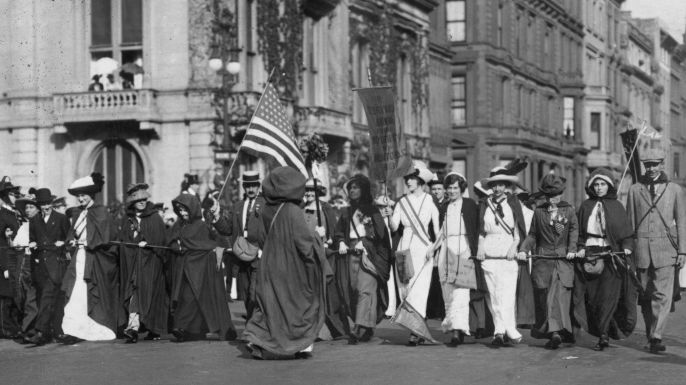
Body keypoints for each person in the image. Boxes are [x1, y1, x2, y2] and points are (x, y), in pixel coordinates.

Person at [243, 166, 328, 360]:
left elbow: (261, 238)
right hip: (291, 267)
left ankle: (255, 338)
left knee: (267, 304)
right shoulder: (293, 211)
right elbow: (304, 243)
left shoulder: (265, 210)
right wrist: (317, 237)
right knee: (296, 305)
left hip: (269, 264)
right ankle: (300, 344)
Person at [626, 148, 686, 353]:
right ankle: (651, 333)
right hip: (641, 249)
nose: (651, 168)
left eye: (655, 164)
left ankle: (657, 335)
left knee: (662, 294)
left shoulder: (674, 189)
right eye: (648, 165)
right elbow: (631, 222)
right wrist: (629, 250)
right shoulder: (635, 189)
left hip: (666, 250)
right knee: (645, 295)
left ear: (662, 164)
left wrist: (683, 251)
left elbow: (682, 223)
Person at [573, 168, 637, 351]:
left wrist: (627, 247)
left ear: (609, 186)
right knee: (593, 298)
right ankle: (599, 329)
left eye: (603, 184)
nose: (599, 187)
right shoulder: (585, 206)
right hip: (590, 255)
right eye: (596, 184)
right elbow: (578, 234)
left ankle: (604, 335)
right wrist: (580, 248)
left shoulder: (617, 207)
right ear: (591, 186)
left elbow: (627, 234)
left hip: (611, 257)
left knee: (608, 298)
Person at [518, 174, 578, 350]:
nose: (553, 199)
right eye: (550, 196)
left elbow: (574, 230)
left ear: (561, 193)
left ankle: (556, 334)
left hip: (562, 261)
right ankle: (555, 332)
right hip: (543, 261)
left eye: (557, 194)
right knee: (545, 299)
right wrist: (523, 249)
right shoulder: (539, 212)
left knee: (558, 297)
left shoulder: (569, 210)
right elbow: (533, 235)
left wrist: (572, 250)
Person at [168, 194, 236, 342]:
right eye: (179, 210)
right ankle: (189, 330)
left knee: (194, 298)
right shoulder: (179, 225)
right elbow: (172, 241)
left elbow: (215, 241)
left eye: (185, 210)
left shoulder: (203, 225)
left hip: (202, 269)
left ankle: (182, 327)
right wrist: (177, 246)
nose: (183, 213)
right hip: (185, 269)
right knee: (187, 298)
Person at [61, 173, 120, 343]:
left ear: (91, 195)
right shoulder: (77, 213)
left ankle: (92, 328)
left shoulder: (101, 212)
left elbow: (106, 237)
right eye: (78, 196)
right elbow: (72, 234)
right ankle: (72, 330)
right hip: (78, 258)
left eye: (83, 195)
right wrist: (71, 241)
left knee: (87, 292)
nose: (80, 199)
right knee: (75, 292)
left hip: (94, 259)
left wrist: (89, 242)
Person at [335, 174, 391, 344]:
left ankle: (359, 327)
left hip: (369, 256)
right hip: (350, 255)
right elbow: (338, 233)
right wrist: (342, 242)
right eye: (350, 188)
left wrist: (365, 242)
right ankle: (367, 327)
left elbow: (381, 235)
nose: (352, 190)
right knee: (352, 290)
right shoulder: (346, 212)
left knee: (365, 289)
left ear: (364, 190)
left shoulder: (373, 210)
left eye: (356, 187)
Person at [426, 172, 479, 346]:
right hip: (446, 250)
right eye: (449, 188)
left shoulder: (470, 205)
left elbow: (476, 229)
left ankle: (458, 330)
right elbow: (441, 231)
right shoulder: (445, 207)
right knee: (447, 291)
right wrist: (433, 247)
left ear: (461, 188)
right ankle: (454, 327)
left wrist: (474, 249)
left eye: (455, 188)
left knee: (461, 293)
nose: (452, 191)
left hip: (463, 249)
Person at [389, 163, 440, 346]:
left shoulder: (430, 200)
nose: (408, 182)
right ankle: (415, 328)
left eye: (411, 178)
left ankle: (415, 332)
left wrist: (433, 247)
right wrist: (389, 214)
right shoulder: (401, 201)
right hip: (404, 248)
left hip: (423, 249)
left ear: (420, 180)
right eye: (406, 179)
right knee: (406, 289)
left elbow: (438, 229)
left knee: (420, 289)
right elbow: (395, 226)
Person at [477, 169, 524, 346]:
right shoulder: (484, 203)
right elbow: (481, 229)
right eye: (494, 184)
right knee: (493, 293)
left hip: (507, 251)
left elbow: (518, 230)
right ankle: (499, 331)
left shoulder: (513, 202)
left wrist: (514, 246)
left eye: (501, 184)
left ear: (506, 187)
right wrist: (480, 247)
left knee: (507, 293)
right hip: (489, 251)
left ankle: (509, 328)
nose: (497, 188)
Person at [118, 183, 169, 343]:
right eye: (138, 200)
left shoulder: (155, 218)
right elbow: (123, 240)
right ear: (132, 202)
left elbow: (161, 241)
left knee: (150, 295)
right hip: (133, 265)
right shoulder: (127, 219)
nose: (141, 202)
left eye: (144, 199)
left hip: (150, 266)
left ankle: (152, 328)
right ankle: (133, 328)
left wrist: (148, 244)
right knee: (134, 293)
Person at [302, 178, 348, 340]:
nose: (308, 194)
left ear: (318, 193)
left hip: (323, 257)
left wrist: (328, 238)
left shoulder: (326, 209)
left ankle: (338, 329)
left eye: (311, 191)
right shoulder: (300, 209)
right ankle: (311, 330)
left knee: (329, 294)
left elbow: (335, 233)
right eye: (306, 190)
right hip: (305, 257)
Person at [24, 188, 70, 345]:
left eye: (48, 203)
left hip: (56, 264)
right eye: (42, 204)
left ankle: (40, 331)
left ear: (52, 203)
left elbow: (69, 239)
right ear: (39, 205)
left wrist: (62, 243)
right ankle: (57, 332)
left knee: (47, 297)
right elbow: (32, 238)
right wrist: (32, 243)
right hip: (40, 266)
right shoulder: (34, 220)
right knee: (53, 300)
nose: (45, 207)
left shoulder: (61, 218)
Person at [228, 171, 265, 321]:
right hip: (241, 255)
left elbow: (269, 227)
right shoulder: (238, 206)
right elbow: (228, 229)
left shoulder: (264, 204)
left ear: (258, 186)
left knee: (254, 293)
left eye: (253, 186)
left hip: (258, 255)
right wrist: (216, 217)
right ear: (243, 187)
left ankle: (254, 327)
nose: (250, 189)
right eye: (247, 186)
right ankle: (251, 325)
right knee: (244, 293)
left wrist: (264, 248)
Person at [13, 193, 40, 341]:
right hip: (22, 262)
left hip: (33, 262)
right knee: (21, 295)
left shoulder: (39, 224)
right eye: (26, 207)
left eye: (31, 207)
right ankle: (26, 326)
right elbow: (17, 244)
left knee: (31, 296)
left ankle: (28, 328)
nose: (28, 210)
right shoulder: (24, 226)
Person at [0, 177, 22, 339]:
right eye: (13, 194)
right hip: (5, 258)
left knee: (12, 293)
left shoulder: (12, 213)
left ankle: (11, 326)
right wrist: (5, 265)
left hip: (13, 257)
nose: (15, 196)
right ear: (6, 196)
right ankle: (4, 328)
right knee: (5, 296)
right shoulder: (3, 214)